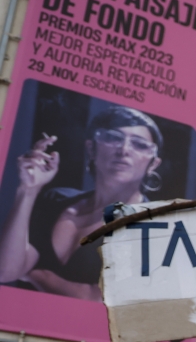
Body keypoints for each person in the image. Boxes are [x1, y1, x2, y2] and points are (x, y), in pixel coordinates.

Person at [0, 107, 163, 300]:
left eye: (140, 145)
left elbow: (97, 300)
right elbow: (6, 271)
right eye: (113, 138)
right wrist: (28, 190)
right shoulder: (56, 200)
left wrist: (34, 273)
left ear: (153, 164)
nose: (124, 150)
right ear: (91, 149)